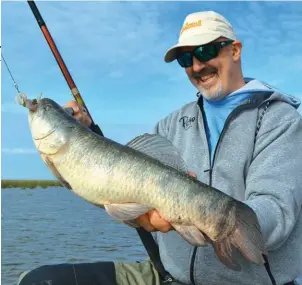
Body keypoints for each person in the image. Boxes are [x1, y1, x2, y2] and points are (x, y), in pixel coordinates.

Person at [17, 10, 302, 285]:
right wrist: (86, 133)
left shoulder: (279, 119)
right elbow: (113, 181)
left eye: (206, 52)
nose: (197, 66)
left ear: (235, 50)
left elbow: (275, 213)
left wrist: (215, 217)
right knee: (39, 281)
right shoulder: (170, 125)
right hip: (167, 274)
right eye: (186, 59)